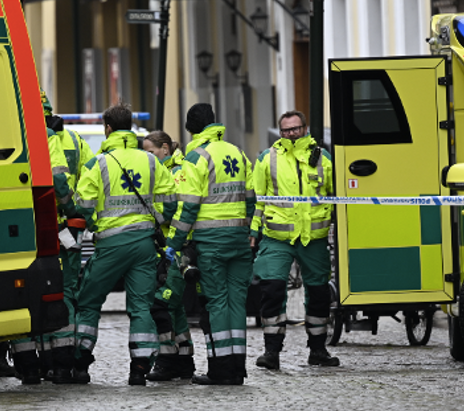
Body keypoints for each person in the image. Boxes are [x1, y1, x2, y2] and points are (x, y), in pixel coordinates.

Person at [68, 104, 175, 385]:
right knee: (141, 306)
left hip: (111, 244)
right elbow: (170, 201)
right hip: (143, 244)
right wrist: (155, 222)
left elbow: (83, 203)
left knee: (88, 302)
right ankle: (139, 368)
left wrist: (95, 225)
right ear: (131, 127)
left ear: (108, 129)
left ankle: (80, 363)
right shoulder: (151, 161)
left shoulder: (97, 163)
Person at [165, 103, 256, 385]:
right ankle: (238, 368)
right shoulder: (238, 152)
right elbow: (251, 199)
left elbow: (188, 208)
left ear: (190, 128)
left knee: (217, 303)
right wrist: (248, 229)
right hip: (239, 241)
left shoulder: (196, 157)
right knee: (237, 303)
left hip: (211, 243)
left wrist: (174, 244)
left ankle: (220, 370)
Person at [251, 110, 339, 370]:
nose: (291, 133)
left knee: (319, 293)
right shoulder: (267, 159)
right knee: (273, 289)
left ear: (305, 128)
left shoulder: (324, 159)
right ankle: (272, 352)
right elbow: (259, 200)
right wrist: (253, 234)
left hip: (314, 237)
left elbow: (336, 196)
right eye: (286, 130)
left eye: (295, 128)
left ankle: (318, 350)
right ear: (280, 132)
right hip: (277, 237)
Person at [36, 93, 95, 384]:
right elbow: (87, 180)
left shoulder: (28, 136)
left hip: (39, 227)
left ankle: (42, 363)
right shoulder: (75, 141)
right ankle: (65, 362)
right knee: (67, 290)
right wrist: (76, 210)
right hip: (68, 227)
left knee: (39, 290)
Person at [141, 131, 198, 381]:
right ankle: (184, 360)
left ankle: (167, 360)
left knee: (161, 305)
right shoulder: (157, 172)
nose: (147, 157)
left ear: (165, 148)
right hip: (164, 247)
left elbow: (181, 209)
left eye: (150, 152)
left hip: (179, 247)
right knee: (174, 307)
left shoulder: (180, 171)